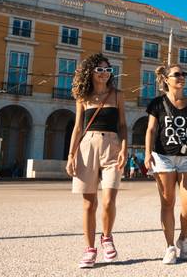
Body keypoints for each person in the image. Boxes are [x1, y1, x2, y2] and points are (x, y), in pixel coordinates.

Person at [65, 53, 127, 269]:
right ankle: (90, 249)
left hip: (112, 145)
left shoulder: (117, 95)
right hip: (87, 146)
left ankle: (107, 237)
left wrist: (124, 149)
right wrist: (71, 155)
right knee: (89, 203)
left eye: (107, 70)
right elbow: (78, 128)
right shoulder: (83, 97)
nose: (104, 74)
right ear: (90, 72)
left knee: (109, 198)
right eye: (99, 70)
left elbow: (122, 125)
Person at [144, 64, 187, 265]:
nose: (182, 77)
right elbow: (151, 130)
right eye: (177, 75)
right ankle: (170, 246)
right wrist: (147, 153)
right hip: (163, 156)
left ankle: (183, 237)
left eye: (184, 74)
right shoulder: (157, 103)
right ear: (166, 79)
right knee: (167, 202)